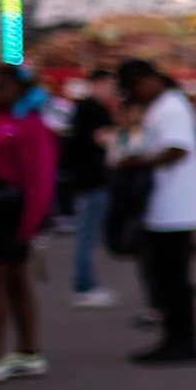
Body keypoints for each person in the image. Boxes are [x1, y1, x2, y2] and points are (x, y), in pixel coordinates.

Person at [111, 59, 196, 364]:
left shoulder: (171, 107)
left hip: (175, 208)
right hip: (165, 207)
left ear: (148, 80)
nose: (136, 97)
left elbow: (177, 150)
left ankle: (182, 341)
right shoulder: (163, 107)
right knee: (166, 278)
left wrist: (137, 162)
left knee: (174, 279)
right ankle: (175, 337)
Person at [0, 63, 58, 381]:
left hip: (8, 209)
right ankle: (29, 351)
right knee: (14, 281)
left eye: (2, 85)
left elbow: (40, 178)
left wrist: (31, 224)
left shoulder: (29, 125)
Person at [62, 67, 118, 307]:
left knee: (88, 235)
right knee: (87, 236)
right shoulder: (92, 110)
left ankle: (85, 284)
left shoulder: (83, 110)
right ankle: (84, 286)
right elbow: (104, 140)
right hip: (92, 181)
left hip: (86, 181)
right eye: (109, 84)